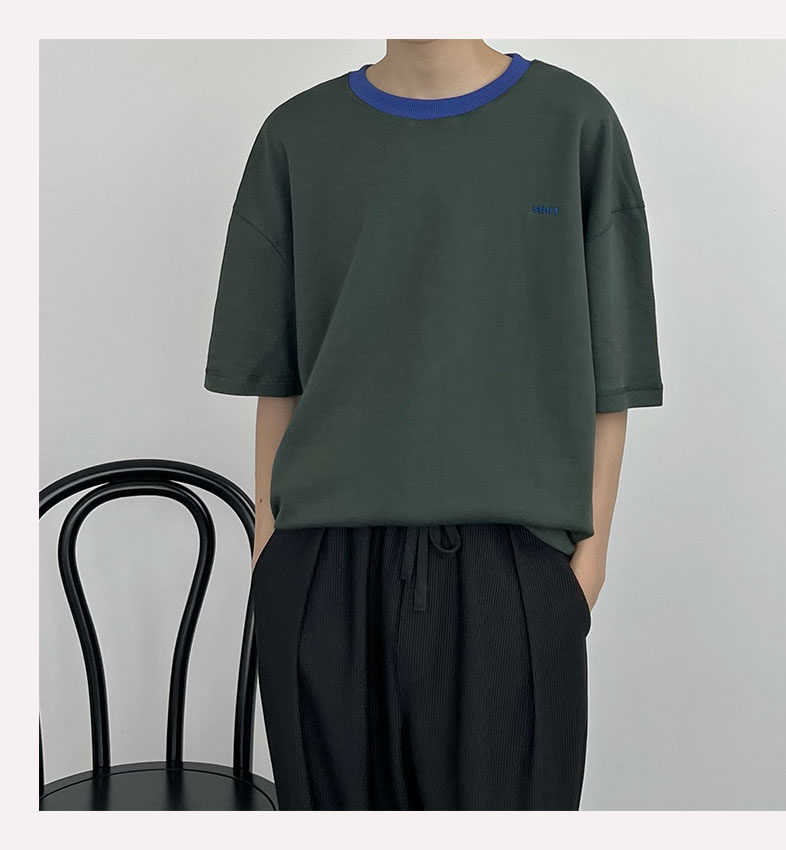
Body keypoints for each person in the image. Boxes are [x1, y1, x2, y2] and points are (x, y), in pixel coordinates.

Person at [203, 39, 663, 811]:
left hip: (512, 566)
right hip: (323, 566)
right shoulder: (296, 136)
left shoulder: (573, 123)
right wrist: (270, 549)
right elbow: (277, 378)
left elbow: (609, 376)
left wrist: (588, 565)